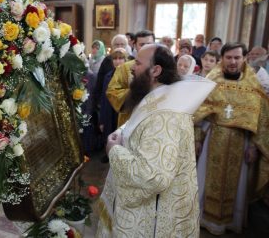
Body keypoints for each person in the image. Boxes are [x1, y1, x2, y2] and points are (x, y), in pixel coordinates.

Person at [97, 44, 216, 237]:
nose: (132, 68)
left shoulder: (166, 115)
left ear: (156, 70)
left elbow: (153, 177)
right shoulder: (161, 97)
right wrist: (122, 132)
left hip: (150, 220)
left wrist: (113, 150)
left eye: (137, 63)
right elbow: (141, 126)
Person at [194, 42, 269, 235]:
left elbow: (261, 120)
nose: (233, 61)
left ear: (245, 58)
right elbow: (200, 114)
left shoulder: (253, 86)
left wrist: (253, 146)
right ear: (222, 59)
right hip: (213, 138)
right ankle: (204, 218)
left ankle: (231, 222)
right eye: (229, 57)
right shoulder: (211, 81)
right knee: (206, 179)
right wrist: (198, 139)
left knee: (238, 185)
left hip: (241, 142)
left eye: (237, 57)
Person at [106, 30, 155, 126]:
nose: (145, 48)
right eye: (142, 44)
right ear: (135, 45)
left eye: (149, 44)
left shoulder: (160, 67)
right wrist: (134, 92)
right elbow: (112, 91)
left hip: (154, 119)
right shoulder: (124, 67)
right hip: (129, 119)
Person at [98, 47, 127, 163]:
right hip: (109, 109)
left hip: (121, 109)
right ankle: (109, 154)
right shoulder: (108, 76)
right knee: (109, 132)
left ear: (125, 60)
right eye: (115, 58)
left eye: (121, 58)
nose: (117, 61)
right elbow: (104, 97)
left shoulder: (127, 76)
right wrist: (101, 120)